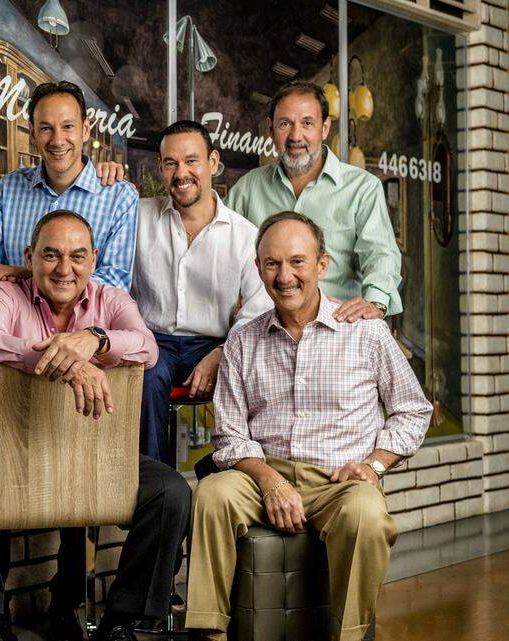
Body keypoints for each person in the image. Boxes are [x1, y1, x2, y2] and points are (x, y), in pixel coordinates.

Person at [0, 210, 190, 641]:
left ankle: (120, 621)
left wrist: (96, 340)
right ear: (29, 257)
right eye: (50, 255)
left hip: (96, 453)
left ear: (94, 260)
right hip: (14, 448)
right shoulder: (4, 293)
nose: (64, 268)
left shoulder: (112, 300)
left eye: (77, 256)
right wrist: (62, 360)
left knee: (172, 493)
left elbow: (147, 348)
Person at [184, 212, 432, 641]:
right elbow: (229, 435)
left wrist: (374, 465)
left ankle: (349, 636)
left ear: (322, 264)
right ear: (258, 268)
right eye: (272, 264)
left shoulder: (367, 333)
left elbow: (414, 410)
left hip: (340, 481)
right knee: (212, 493)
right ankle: (208, 632)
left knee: (367, 514)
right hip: (263, 474)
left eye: (297, 262)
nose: (285, 277)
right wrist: (269, 481)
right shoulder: (243, 340)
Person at [132, 120, 272, 465]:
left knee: (259, 375)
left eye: (191, 161)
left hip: (213, 342)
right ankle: (156, 483)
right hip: (152, 339)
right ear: (160, 167)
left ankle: (228, 470)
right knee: (145, 378)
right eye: (171, 163)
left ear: (213, 162)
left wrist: (223, 352)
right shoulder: (137, 218)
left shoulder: (245, 236)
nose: (181, 173)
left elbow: (259, 308)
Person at [226, 81, 403, 323]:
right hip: (263, 330)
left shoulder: (362, 188)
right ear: (271, 129)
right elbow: (221, 254)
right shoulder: (247, 188)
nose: (295, 136)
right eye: (285, 124)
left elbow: (380, 255)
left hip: (338, 327)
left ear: (325, 128)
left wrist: (376, 302)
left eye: (307, 123)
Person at [0, 80, 139, 318]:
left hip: (83, 336)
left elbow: (113, 285)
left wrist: (25, 274)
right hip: (14, 333)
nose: (58, 140)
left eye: (68, 126)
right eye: (46, 128)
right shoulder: (8, 188)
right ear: (32, 134)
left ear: (85, 129)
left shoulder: (119, 196)